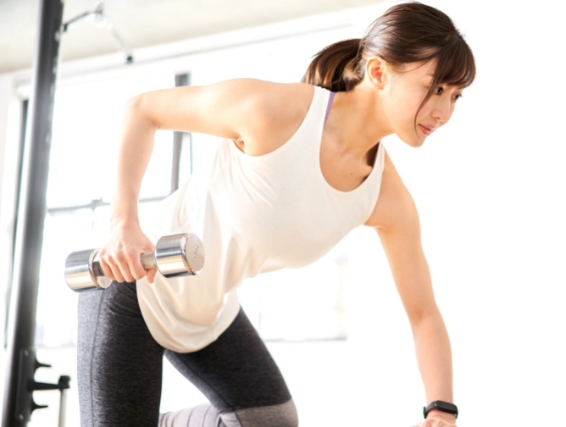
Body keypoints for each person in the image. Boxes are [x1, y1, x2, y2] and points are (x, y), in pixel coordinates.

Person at [76, 2, 476, 426]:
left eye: (455, 96)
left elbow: (423, 312)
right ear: (378, 73)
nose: (444, 112)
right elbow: (142, 110)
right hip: (134, 283)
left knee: (272, 422)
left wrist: (441, 409)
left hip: (209, 309)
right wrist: (123, 224)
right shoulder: (277, 112)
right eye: (434, 89)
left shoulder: (384, 196)